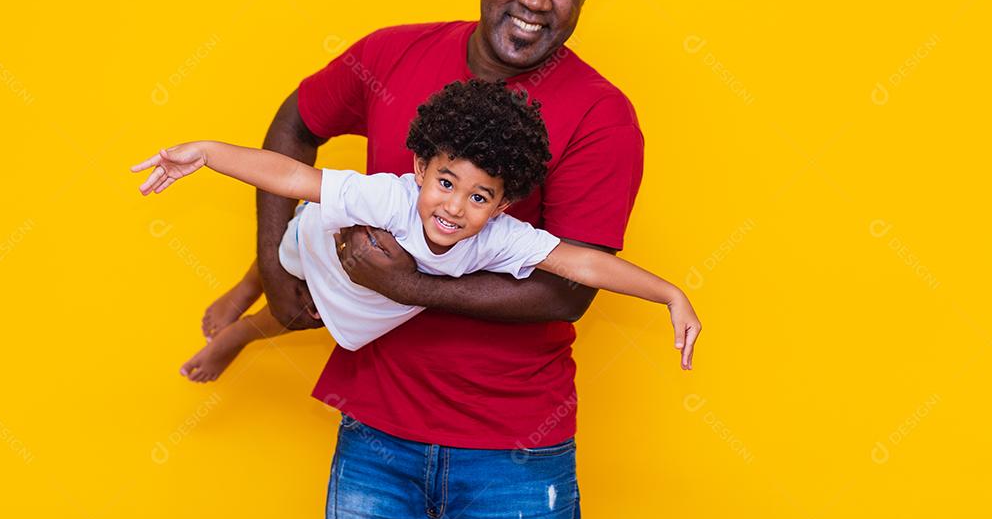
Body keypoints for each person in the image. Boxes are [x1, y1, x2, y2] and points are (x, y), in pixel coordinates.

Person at [195, 0, 699, 519]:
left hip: (513, 453)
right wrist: (270, 265)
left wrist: (409, 285)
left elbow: (569, 289)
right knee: (320, 222)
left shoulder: (601, 117)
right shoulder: (391, 55)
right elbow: (296, 130)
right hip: (375, 432)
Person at [131, 79, 701, 376]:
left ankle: (240, 334)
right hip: (322, 238)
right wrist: (207, 152)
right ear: (420, 168)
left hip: (360, 297)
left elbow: (583, 263)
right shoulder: (388, 196)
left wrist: (670, 294)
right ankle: (246, 286)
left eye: (479, 197)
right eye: (445, 183)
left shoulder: (500, 237)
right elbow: (293, 176)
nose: (454, 208)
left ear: (503, 205)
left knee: (296, 316)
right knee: (290, 247)